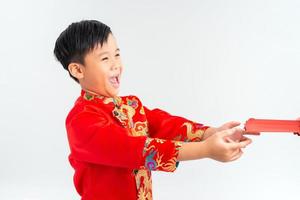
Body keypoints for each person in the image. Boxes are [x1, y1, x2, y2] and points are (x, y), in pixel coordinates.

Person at [53, 20, 252, 200]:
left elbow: (165, 125)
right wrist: (206, 149)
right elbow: (133, 149)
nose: (116, 65)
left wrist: (212, 132)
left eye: (117, 54)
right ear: (78, 70)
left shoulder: (130, 105)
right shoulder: (81, 120)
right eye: (105, 59)